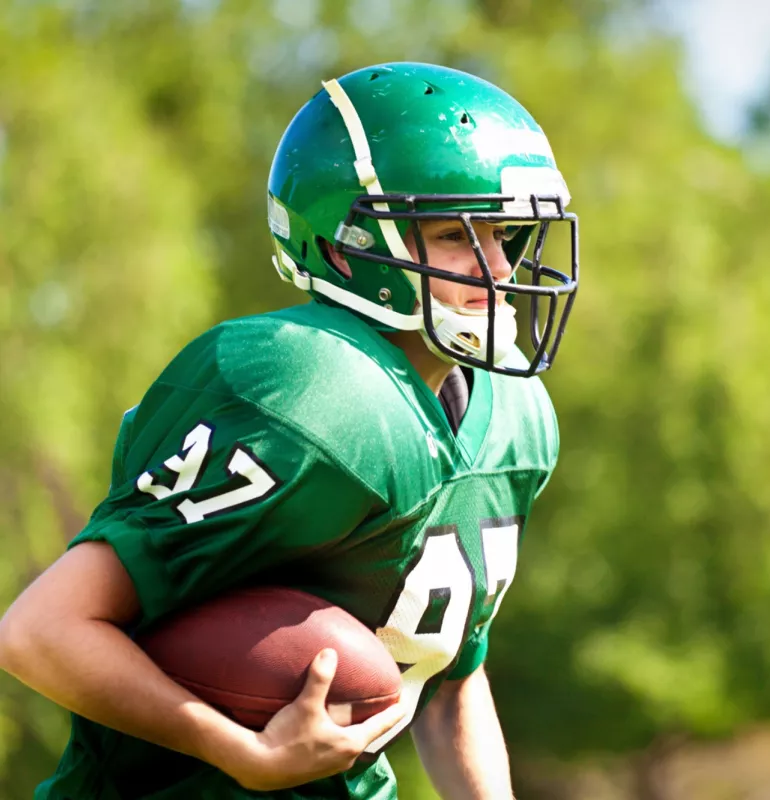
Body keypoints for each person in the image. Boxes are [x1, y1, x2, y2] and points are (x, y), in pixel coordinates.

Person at [0, 61, 578, 799]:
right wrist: (241, 750)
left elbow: (449, 674)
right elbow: (41, 631)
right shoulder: (309, 394)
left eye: (504, 234)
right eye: (453, 235)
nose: (497, 267)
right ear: (345, 248)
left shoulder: (515, 421)